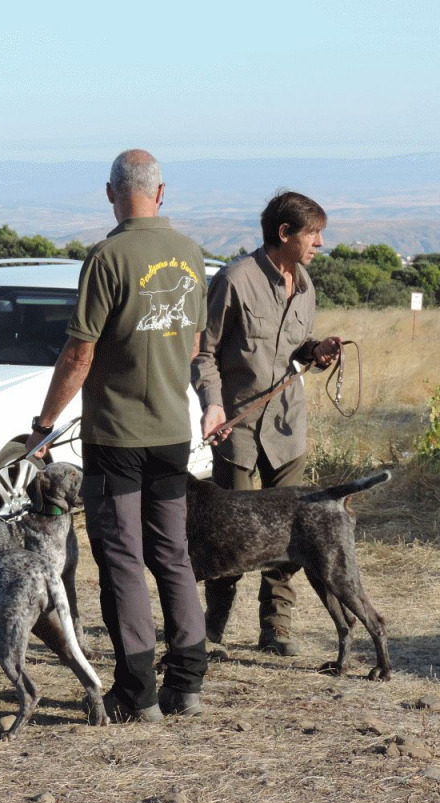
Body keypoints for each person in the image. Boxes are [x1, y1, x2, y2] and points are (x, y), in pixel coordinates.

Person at [28, 149, 208, 722]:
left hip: (117, 437)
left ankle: (137, 694)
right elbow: (194, 344)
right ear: (161, 192)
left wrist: (45, 423)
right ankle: (188, 683)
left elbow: (79, 352)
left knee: (124, 560)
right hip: (173, 432)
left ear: (110, 193)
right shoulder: (191, 253)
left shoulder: (106, 257)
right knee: (173, 554)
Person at [191, 191, 341, 656]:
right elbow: (203, 354)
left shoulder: (306, 285)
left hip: (287, 429)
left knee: (291, 534)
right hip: (236, 431)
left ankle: (276, 627)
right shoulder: (234, 280)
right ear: (284, 233)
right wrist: (212, 405)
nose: (320, 243)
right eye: (313, 233)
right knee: (225, 534)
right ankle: (212, 628)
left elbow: (295, 349)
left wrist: (315, 351)